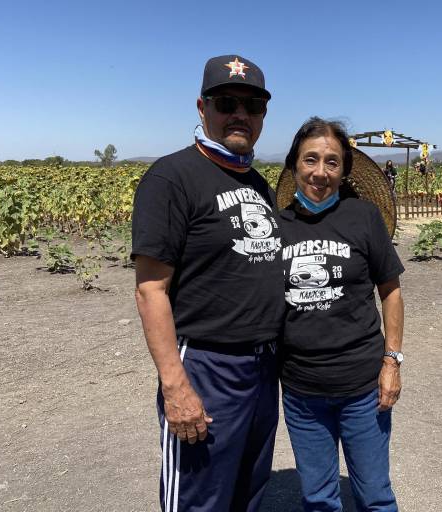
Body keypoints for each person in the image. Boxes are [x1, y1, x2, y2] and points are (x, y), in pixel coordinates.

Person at [131, 55, 284, 512]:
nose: (240, 114)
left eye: (252, 106)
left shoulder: (259, 183)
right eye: (227, 102)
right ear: (203, 108)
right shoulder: (171, 178)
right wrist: (176, 387)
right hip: (205, 365)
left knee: (248, 490)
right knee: (200, 498)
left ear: (262, 116)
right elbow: (150, 290)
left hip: (262, 367)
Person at [276, 117, 405, 512]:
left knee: (374, 496)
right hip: (301, 392)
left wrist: (392, 361)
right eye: (310, 159)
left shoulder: (364, 218)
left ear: (344, 170)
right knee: (318, 499)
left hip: (362, 387)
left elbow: (391, 291)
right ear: (295, 164)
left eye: (332, 162)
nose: (320, 172)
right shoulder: (276, 228)